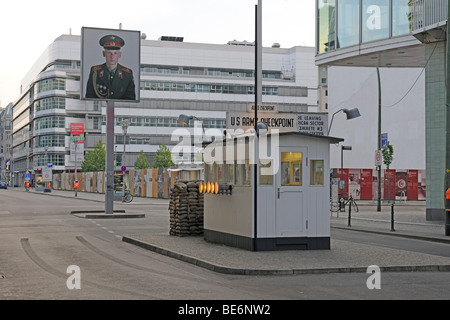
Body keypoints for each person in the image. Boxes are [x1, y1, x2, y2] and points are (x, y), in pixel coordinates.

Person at [86, 35, 136, 100]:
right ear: (104, 54)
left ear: (119, 55)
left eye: (115, 53)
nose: (112, 56)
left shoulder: (127, 74)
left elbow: (131, 99)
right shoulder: (95, 72)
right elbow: (89, 97)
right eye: (109, 53)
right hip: (101, 108)